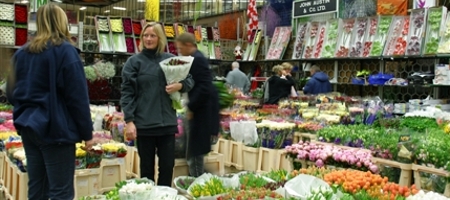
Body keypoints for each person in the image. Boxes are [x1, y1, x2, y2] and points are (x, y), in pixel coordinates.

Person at [5, 4, 93, 199]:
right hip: (56, 132)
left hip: (29, 128)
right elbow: (77, 98)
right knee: (61, 191)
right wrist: (87, 133)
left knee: (37, 188)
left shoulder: (21, 53)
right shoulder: (66, 52)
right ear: (62, 22)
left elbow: (10, 92)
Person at [121, 22, 194, 186]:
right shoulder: (134, 63)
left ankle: (164, 196)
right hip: (144, 125)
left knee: (167, 167)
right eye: (145, 35)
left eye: (152, 35)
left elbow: (190, 79)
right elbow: (127, 93)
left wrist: (180, 85)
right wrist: (129, 121)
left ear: (159, 38)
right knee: (146, 171)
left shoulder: (170, 60)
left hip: (167, 124)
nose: (148, 39)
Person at [175, 33, 220, 177]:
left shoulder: (198, 59)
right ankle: (199, 176)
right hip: (199, 110)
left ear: (189, 45)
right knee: (194, 149)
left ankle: (197, 180)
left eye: (181, 48)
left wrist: (192, 107)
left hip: (200, 112)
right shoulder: (196, 57)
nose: (180, 52)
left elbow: (204, 87)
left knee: (195, 151)